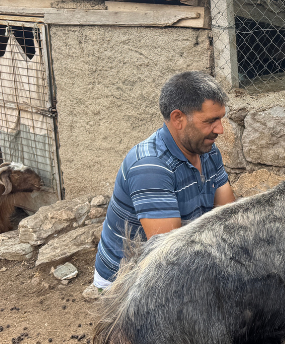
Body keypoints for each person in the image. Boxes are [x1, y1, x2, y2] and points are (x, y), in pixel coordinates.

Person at [93, 71, 235, 289]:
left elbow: (227, 217)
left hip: (176, 257)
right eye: (210, 121)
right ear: (178, 118)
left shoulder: (207, 150)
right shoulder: (150, 167)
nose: (220, 129)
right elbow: (171, 259)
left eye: (220, 118)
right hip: (128, 281)